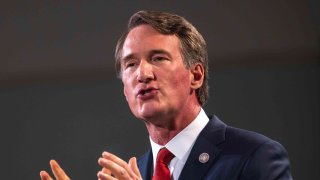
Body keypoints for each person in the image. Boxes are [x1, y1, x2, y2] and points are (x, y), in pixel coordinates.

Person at [40, 10, 292, 180]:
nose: (143, 74)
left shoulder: (255, 157)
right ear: (125, 91)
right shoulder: (135, 171)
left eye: (158, 58)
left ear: (196, 75)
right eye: (130, 64)